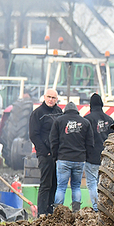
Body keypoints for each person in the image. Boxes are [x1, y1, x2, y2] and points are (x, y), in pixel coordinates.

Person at [50, 101, 95, 213]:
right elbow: (90, 143)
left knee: (61, 187)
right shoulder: (85, 122)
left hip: (63, 159)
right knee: (76, 186)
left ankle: (57, 211)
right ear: (77, 111)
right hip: (79, 160)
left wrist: (55, 156)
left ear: (65, 110)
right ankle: (76, 211)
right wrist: (86, 157)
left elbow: (53, 140)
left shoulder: (59, 121)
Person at [29, 88, 63, 216]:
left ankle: (50, 210)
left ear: (57, 99)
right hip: (45, 155)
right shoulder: (38, 113)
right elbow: (33, 135)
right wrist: (45, 151)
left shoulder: (59, 112)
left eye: (53, 98)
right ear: (44, 97)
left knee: (55, 183)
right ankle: (42, 213)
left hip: (57, 155)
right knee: (45, 184)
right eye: (49, 97)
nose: (51, 100)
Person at [84, 93, 114, 212]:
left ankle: (97, 208)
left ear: (90, 105)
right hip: (106, 157)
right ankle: (106, 208)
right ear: (101, 104)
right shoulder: (110, 119)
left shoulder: (87, 120)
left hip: (91, 157)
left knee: (92, 183)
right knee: (104, 184)